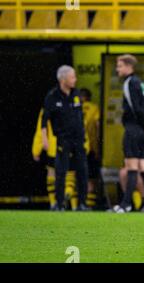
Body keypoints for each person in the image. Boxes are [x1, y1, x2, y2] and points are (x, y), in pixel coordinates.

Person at [113, 54, 144, 213]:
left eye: (119, 66)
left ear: (128, 66)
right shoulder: (139, 83)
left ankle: (126, 204)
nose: (117, 69)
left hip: (134, 129)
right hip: (141, 129)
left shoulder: (129, 83)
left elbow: (136, 108)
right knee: (143, 166)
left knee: (131, 167)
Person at [41, 65, 89, 211]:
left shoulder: (76, 94)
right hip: (63, 139)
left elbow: (80, 117)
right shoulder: (52, 96)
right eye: (72, 76)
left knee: (82, 170)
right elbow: (45, 120)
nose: (75, 79)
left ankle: (82, 203)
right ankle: (59, 203)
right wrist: (44, 139)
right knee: (60, 171)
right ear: (63, 78)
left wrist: (84, 136)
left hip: (78, 139)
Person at [79, 88, 100, 209]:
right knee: (91, 177)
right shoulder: (94, 108)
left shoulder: (74, 107)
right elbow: (98, 127)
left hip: (77, 147)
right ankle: (89, 205)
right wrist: (98, 147)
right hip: (91, 148)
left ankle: (77, 203)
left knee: (77, 175)